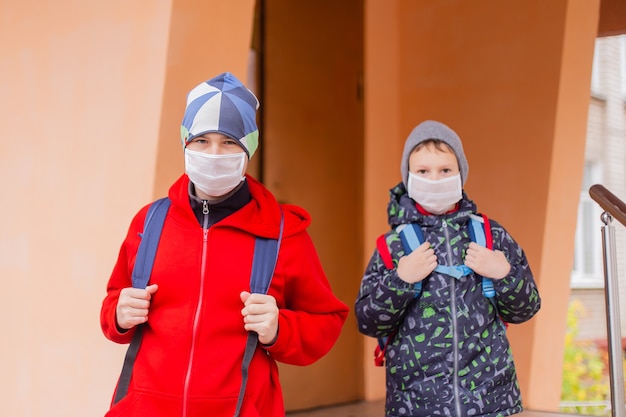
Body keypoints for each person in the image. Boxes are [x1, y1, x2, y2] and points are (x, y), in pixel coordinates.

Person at [100, 72, 349, 417]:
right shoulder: (149, 223)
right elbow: (114, 302)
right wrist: (118, 313)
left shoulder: (283, 235)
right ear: (185, 141)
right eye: (202, 140)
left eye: (229, 141)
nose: (214, 153)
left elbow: (327, 320)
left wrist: (280, 328)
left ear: (250, 146)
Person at [354, 120, 541, 417]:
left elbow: (527, 308)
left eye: (445, 171)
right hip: (415, 404)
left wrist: (504, 273)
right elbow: (368, 321)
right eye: (423, 172)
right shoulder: (392, 246)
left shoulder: (492, 236)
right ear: (408, 177)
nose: (435, 179)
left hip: (490, 401)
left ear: (460, 174)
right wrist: (401, 279)